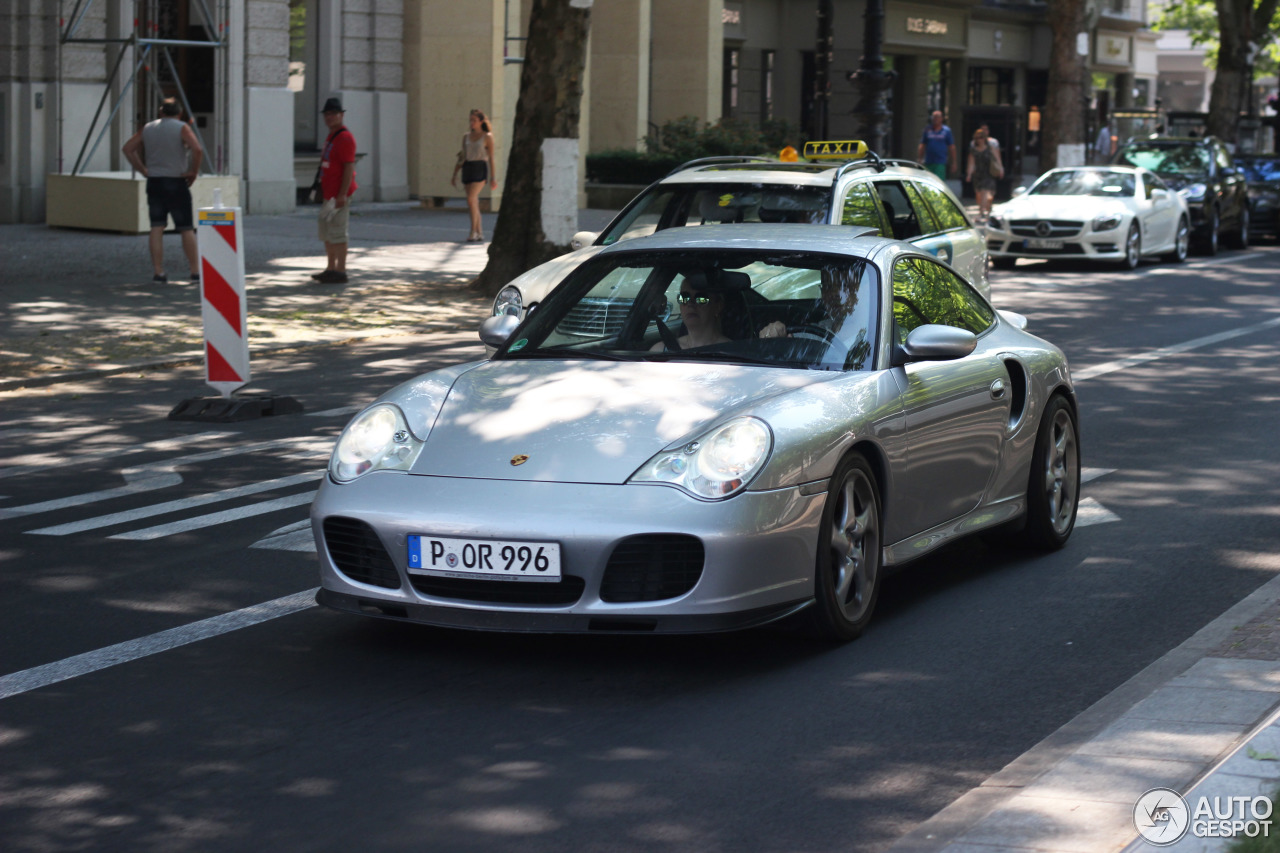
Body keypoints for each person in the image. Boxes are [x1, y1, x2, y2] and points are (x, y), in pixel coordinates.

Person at [121, 98, 203, 284]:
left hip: (155, 182)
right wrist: (193, 171)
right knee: (186, 228)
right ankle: (195, 270)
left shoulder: (149, 128)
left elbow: (127, 149)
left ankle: (159, 272)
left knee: (156, 227)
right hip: (176, 181)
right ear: (179, 113)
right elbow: (197, 149)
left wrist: (143, 170)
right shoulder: (182, 127)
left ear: (161, 113)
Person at [311, 97, 357, 284]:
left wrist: (342, 195)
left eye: (333, 114)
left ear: (341, 115)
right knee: (327, 232)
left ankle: (341, 270)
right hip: (329, 194)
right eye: (327, 114)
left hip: (338, 194)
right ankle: (331, 267)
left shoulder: (345, 137)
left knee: (338, 231)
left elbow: (348, 167)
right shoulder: (331, 136)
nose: (329, 117)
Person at [450, 109, 499, 243]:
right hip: (468, 167)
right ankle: (479, 232)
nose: (471, 123)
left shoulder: (487, 136)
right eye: (470, 120)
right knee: (473, 202)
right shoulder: (466, 137)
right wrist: (455, 174)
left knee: (471, 199)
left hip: (480, 168)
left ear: (481, 122)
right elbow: (462, 156)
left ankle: (473, 232)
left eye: (474, 120)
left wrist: (493, 177)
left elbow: (491, 158)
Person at [651, 274, 730, 350]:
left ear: (718, 307)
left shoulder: (733, 352)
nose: (690, 303)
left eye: (701, 298)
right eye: (684, 297)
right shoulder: (660, 350)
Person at [966, 127, 1003, 221]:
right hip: (978, 174)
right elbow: (971, 163)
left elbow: (998, 159)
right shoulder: (973, 150)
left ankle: (982, 213)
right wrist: (969, 174)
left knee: (985, 192)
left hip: (989, 174)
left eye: (982, 137)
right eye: (978, 137)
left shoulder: (991, 148)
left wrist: (1001, 169)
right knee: (979, 194)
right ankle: (987, 211)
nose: (980, 139)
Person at [917, 110, 956, 179]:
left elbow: (951, 147)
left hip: (940, 162)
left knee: (939, 181)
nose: (935, 119)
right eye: (934, 117)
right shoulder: (927, 130)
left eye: (937, 117)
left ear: (942, 118)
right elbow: (922, 145)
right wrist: (920, 158)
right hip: (928, 161)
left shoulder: (946, 131)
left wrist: (953, 162)